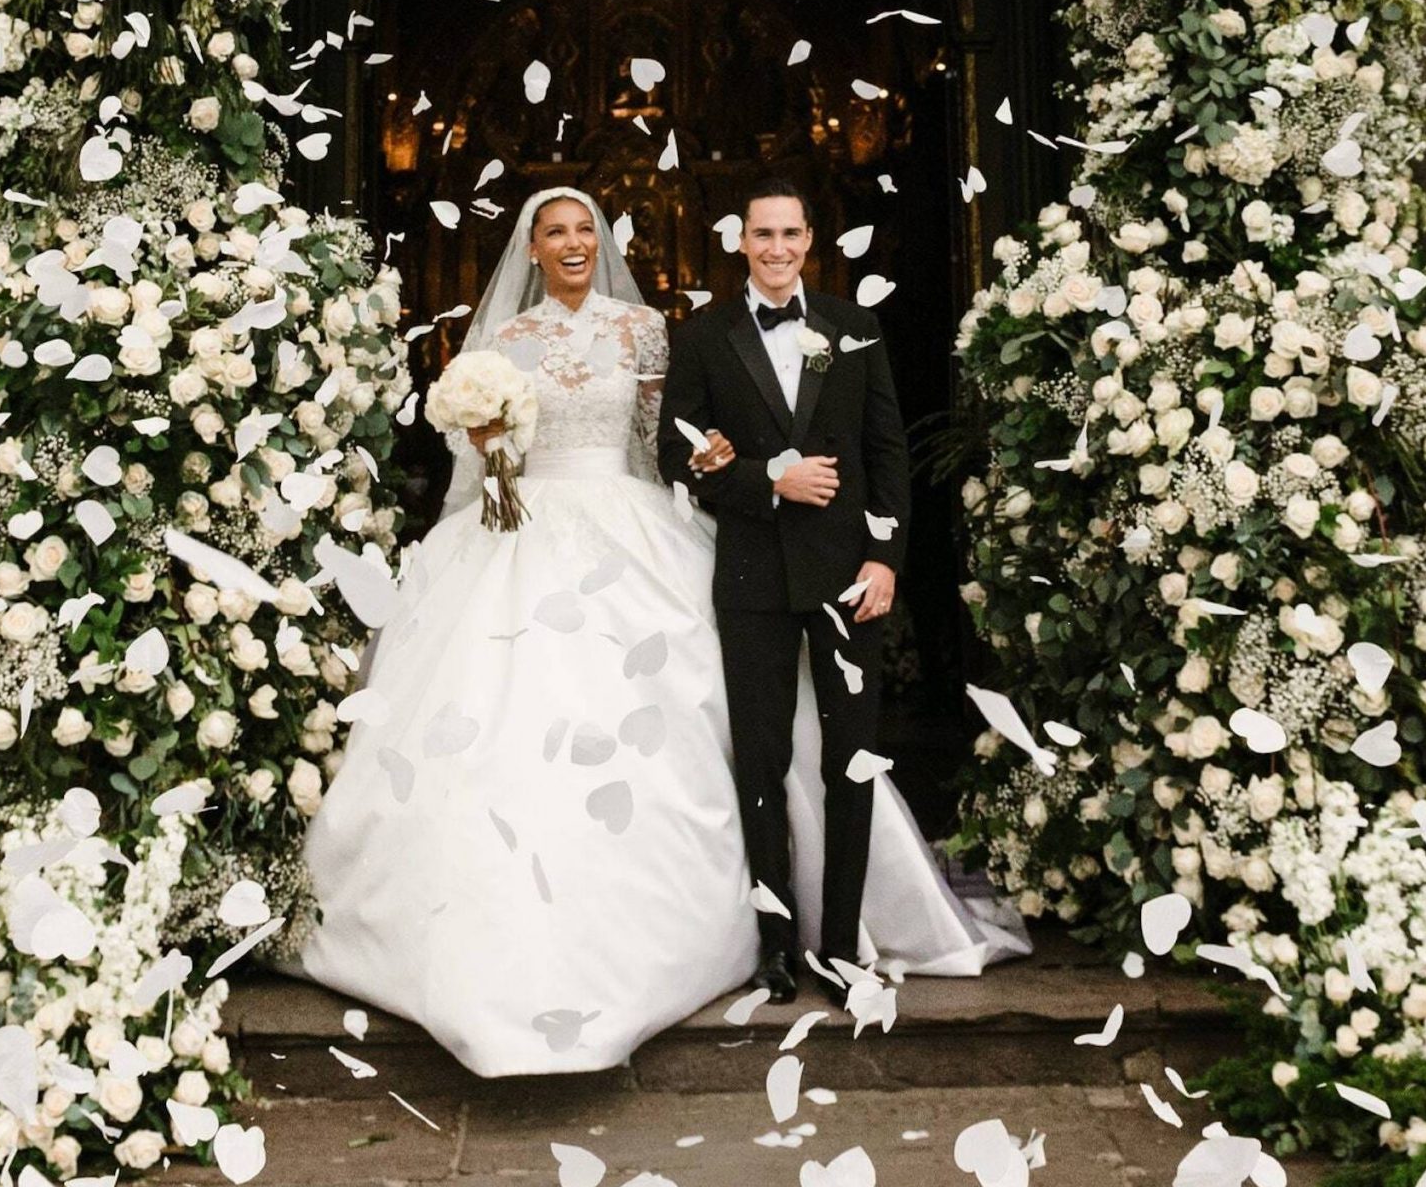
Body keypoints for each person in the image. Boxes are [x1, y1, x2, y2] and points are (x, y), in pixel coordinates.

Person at [295, 186, 1024, 1077]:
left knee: (749, 734)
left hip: (628, 526)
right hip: (513, 538)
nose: (569, 244)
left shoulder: (646, 329)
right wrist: (487, 443)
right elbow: (489, 460)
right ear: (529, 249)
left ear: (598, 242)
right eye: (552, 233)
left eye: (581, 232)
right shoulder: (504, 344)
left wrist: (735, 482)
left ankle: (808, 931)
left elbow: (666, 445)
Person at [657, 176, 904, 1002]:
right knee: (760, 760)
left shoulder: (853, 326)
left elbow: (886, 451)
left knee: (851, 761)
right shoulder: (701, 335)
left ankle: (839, 946)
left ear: (809, 240)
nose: (775, 249)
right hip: (753, 578)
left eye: (789, 234)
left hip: (847, 574)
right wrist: (769, 481)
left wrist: (885, 560)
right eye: (760, 235)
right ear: (740, 243)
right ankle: (774, 945)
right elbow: (676, 455)